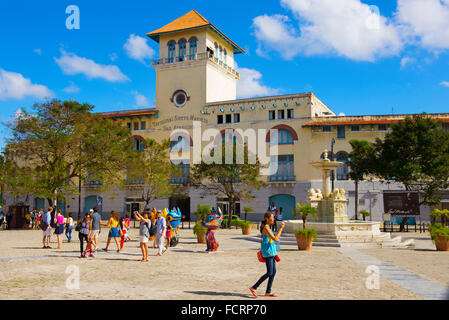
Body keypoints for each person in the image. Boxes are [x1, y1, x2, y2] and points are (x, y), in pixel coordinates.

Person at [249, 211, 285, 298]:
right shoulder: (266, 227)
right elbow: (276, 239)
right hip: (268, 253)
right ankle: (254, 287)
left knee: (273, 272)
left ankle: (268, 292)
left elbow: (271, 241)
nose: (273, 219)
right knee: (269, 272)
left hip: (271, 252)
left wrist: (275, 254)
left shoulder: (269, 227)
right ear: (267, 219)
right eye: (272, 217)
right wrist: (281, 228)